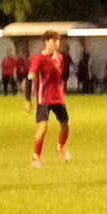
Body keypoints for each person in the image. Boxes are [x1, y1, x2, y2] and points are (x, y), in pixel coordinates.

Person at [23, 30, 71, 168]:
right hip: (43, 98)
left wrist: (62, 92)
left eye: (58, 42)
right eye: (54, 41)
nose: (57, 44)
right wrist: (27, 99)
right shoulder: (38, 59)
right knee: (43, 127)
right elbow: (30, 77)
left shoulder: (60, 58)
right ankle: (36, 157)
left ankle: (60, 148)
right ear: (46, 42)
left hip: (58, 97)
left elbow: (61, 77)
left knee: (66, 126)